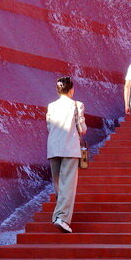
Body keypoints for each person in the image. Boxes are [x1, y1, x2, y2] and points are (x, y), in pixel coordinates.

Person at [45, 76, 87, 233]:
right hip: (69, 147)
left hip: (53, 148)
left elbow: (49, 126)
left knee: (58, 184)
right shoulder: (77, 105)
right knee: (68, 184)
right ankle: (62, 218)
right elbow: (82, 128)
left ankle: (58, 214)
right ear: (71, 90)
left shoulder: (51, 106)